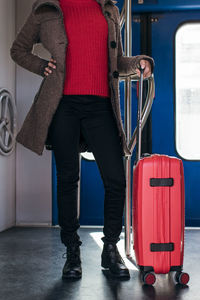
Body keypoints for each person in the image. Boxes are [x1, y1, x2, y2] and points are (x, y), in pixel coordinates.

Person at [10, 0, 154, 280]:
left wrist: (140, 62)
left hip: (101, 107)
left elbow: (117, 63)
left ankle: (110, 249)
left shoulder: (109, 10)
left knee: (115, 178)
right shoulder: (46, 9)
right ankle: (72, 251)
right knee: (67, 179)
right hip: (63, 106)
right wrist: (42, 67)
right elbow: (18, 50)